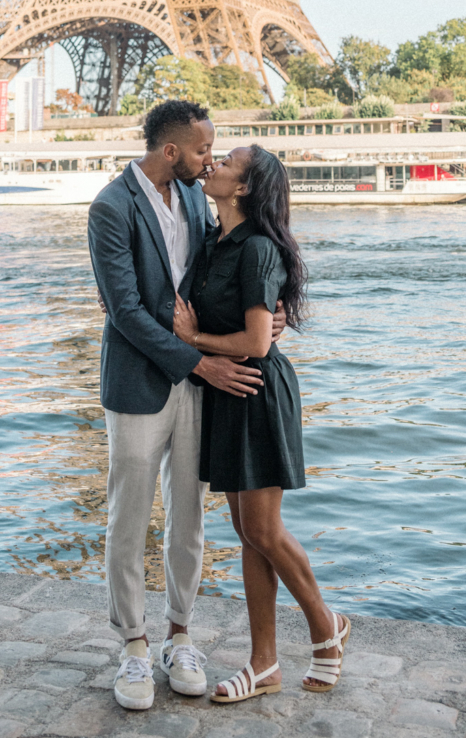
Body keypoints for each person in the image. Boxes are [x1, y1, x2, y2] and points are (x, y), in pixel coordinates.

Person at [87, 100, 286, 711]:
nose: (210, 161)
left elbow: (234, 267)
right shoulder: (110, 207)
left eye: (216, 154)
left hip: (201, 384)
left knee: (188, 518)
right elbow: (123, 311)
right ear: (171, 151)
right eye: (203, 151)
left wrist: (271, 315)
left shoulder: (199, 201)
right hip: (147, 382)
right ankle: (134, 645)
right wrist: (198, 359)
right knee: (128, 516)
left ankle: (180, 635)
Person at [173, 143, 351, 703]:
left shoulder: (257, 250)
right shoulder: (213, 240)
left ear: (244, 187)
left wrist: (192, 341)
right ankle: (264, 664)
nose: (214, 166)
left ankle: (325, 629)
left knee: (265, 530)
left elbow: (254, 342)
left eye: (226, 163)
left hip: (255, 391)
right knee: (249, 534)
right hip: (226, 393)